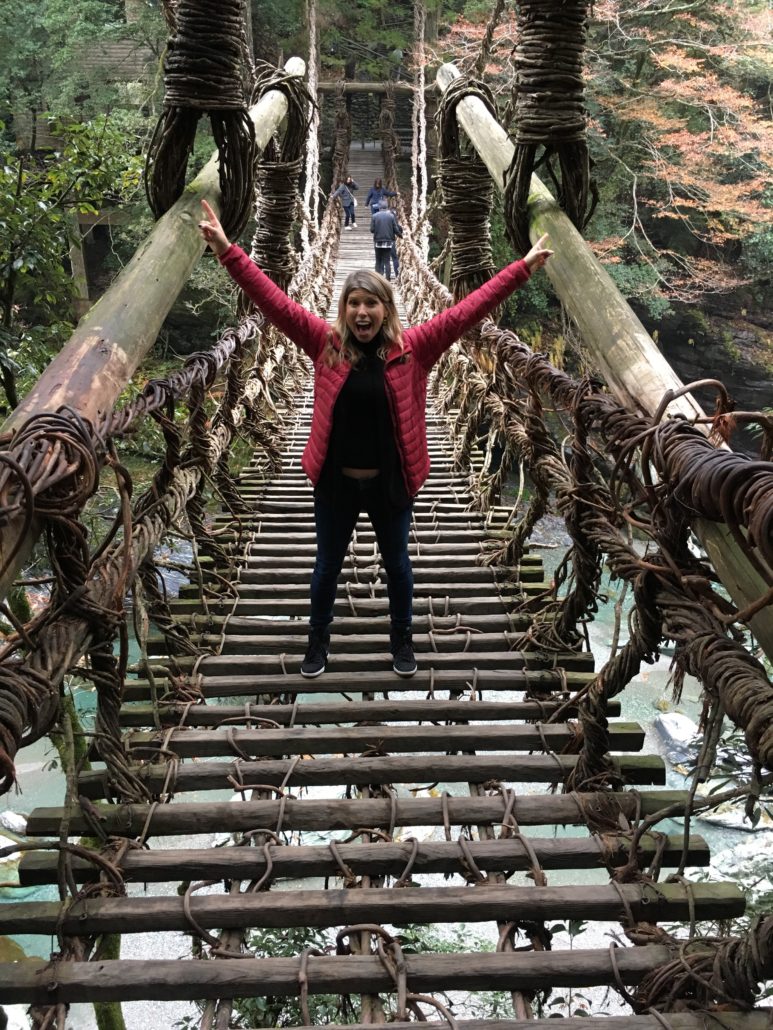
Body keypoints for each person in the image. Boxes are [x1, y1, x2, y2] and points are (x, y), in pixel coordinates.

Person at [198, 198, 552, 679]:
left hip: (391, 484)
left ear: (386, 309)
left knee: (398, 565)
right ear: (344, 309)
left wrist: (521, 270)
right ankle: (317, 640)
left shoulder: (417, 349)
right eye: (354, 303)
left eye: (371, 303)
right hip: (336, 483)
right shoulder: (324, 344)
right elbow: (274, 303)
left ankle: (402, 640)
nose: (362, 311)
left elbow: (468, 312)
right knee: (326, 568)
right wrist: (226, 250)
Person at [370, 199, 403, 281]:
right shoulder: (391, 216)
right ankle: (388, 279)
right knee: (387, 261)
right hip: (388, 242)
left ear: (379, 207)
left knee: (378, 260)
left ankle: (378, 279)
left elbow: (372, 230)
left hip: (378, 241)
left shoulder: (374, 216)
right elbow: (395, 229)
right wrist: (401, 236)